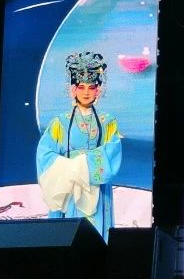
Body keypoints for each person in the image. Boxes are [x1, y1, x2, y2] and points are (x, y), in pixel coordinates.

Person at [35, 51, 123, 240]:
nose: (86, 92)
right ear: (73, 89)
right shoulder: (60, 123)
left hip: (97, 188)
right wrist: (71, 168)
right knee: (68, 237)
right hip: (69, 187)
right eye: (81, 87)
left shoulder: (108, 122)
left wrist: (81, 164)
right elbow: (45, 155)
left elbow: (112, 154)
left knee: (96, 236)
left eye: (91, 87)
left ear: (98, 90)